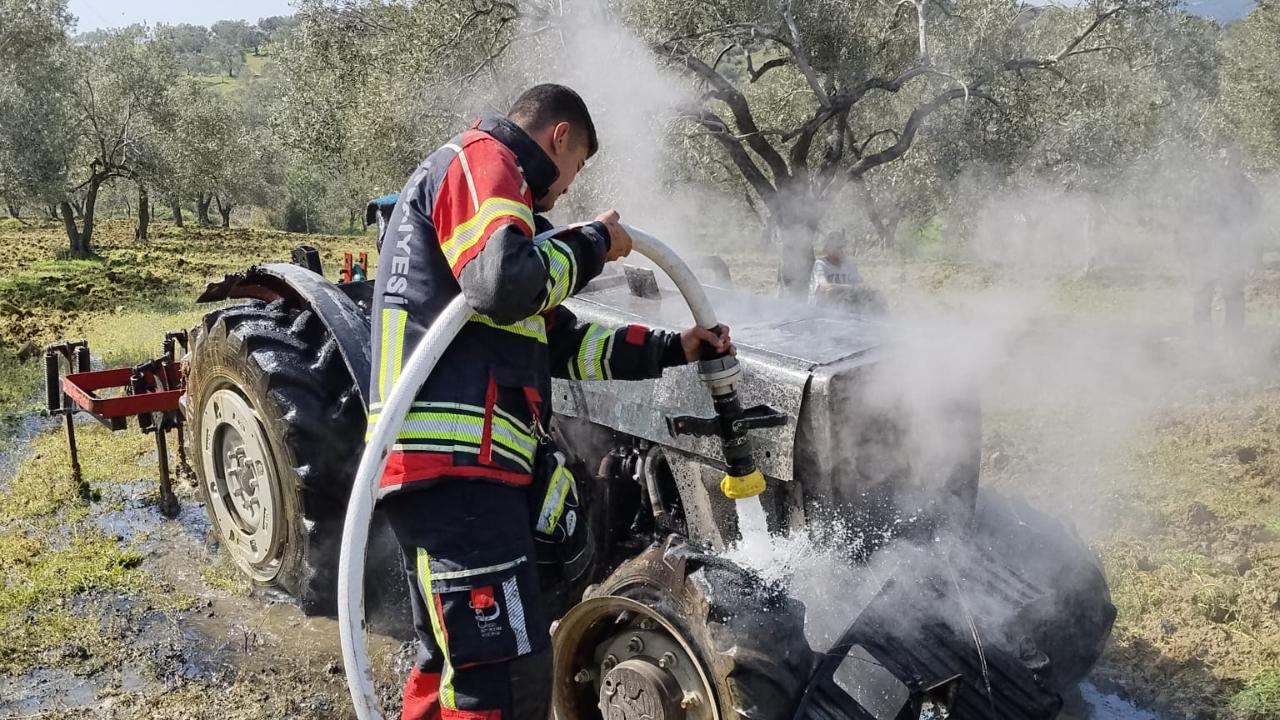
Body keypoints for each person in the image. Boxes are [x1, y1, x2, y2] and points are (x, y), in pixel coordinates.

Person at [367, 84, 733, 720]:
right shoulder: (484, 160)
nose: (567, 187)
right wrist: (594, 242)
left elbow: (561, 342)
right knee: (504, 679)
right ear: (560, 137)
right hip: (458, 471)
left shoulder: (499, 217)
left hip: (451, 474)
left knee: (455, 666)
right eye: (579, 165)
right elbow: (503, 286)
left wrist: (678, 348)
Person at [809, 230, 863, 299]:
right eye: (838, 248)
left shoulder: (849, 264)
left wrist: (849, 288)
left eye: (843, 247)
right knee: (830, 292)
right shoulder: (820, 264)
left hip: (843, 303)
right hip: (819, 307)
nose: (842, 250)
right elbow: (825, 286)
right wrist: (851, 288)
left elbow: (861, 285)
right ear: (829, 248)